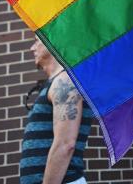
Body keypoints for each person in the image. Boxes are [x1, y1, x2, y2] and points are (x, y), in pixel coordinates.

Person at [20, 37, 94, 184]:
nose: (32, 48)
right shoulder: (56, 82)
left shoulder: (65, 81)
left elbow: (65, 144)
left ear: (52, 41)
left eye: (36, 41)